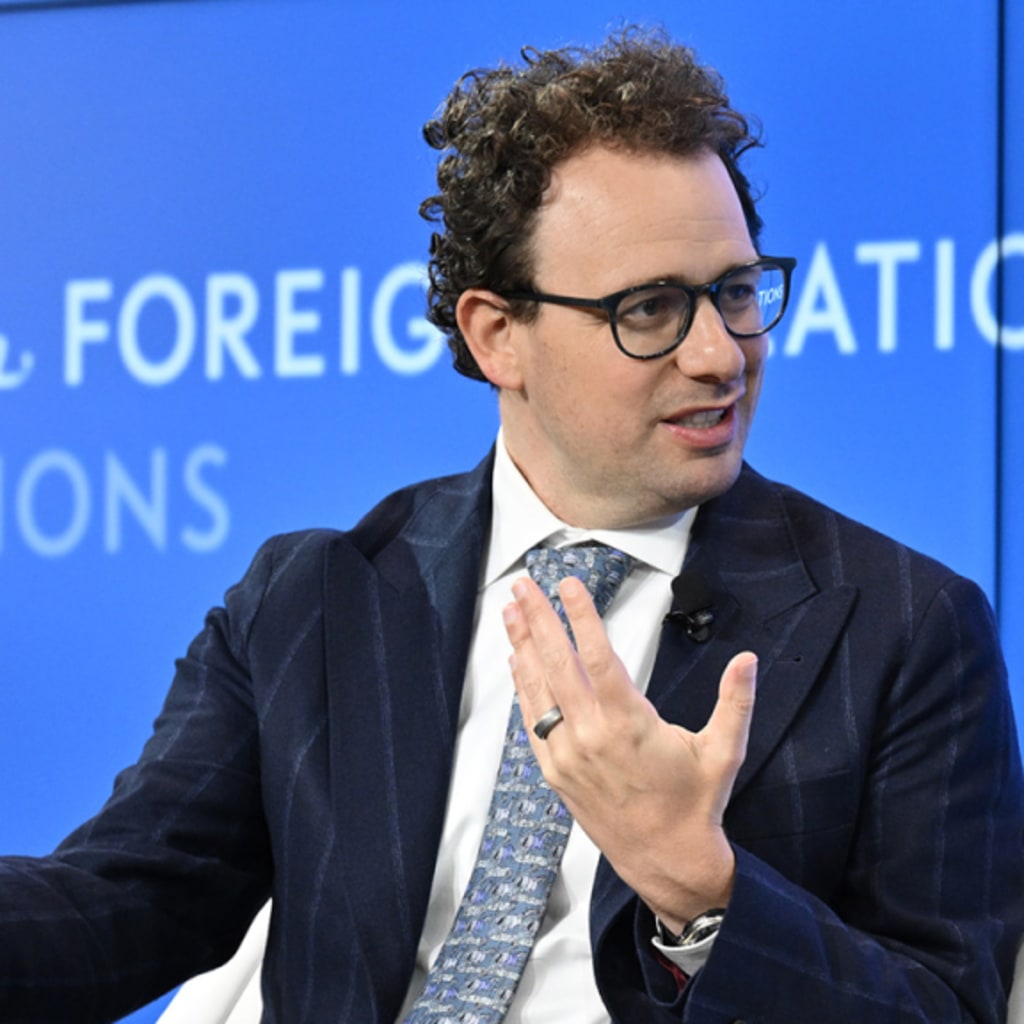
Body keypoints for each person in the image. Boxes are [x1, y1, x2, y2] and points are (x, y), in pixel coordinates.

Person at [2, 28, 1022, 1024]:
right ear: (497, 335)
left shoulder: (903, 628)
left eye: (737, 291)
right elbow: (129, 899)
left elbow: (948, 1003)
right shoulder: (313, 601)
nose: (719, 353)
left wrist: (701, 888)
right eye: (651, 309)